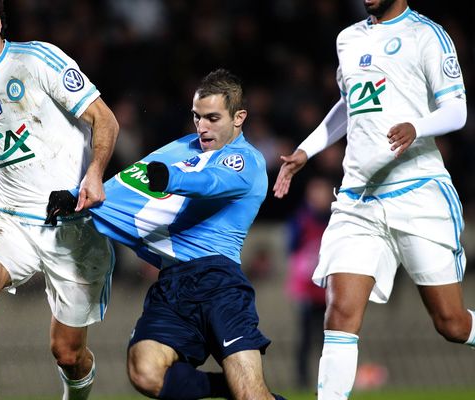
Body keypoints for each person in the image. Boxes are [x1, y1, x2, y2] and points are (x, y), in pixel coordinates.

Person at [273, 1, 474, 399]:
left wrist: (418, 125)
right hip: (358, 199)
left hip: (418, 193)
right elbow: (350, 104)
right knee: (340, 314)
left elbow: (457, 110)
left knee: (451, 324)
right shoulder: (348, 38)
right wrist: (307, 150)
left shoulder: (426, 35)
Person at [46, 69, 286, 400]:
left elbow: (212, 183)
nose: (202, 127)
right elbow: (128, 183)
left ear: (238, 117)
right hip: (172, 284)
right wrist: (77, 197)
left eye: (213, 118)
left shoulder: (246, 160)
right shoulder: (182, 148)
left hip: (219, 283)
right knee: (144, 372)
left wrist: (170, 179)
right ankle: (228, 388)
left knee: (251, 395)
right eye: (197, 117)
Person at [0, 1, 119, 399]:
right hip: (10, 215)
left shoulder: (38, 59)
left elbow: (105, 119)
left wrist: (94, 174)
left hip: (72, 224)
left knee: (67, 354)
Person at [284, 176, 332, 389]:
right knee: (304, 337)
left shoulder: (335, 219)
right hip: (306, 287)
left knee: (329, 337)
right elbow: (292, 248)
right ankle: (302, 380)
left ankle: (329, 379)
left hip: (328, 287)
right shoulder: (301, 219)